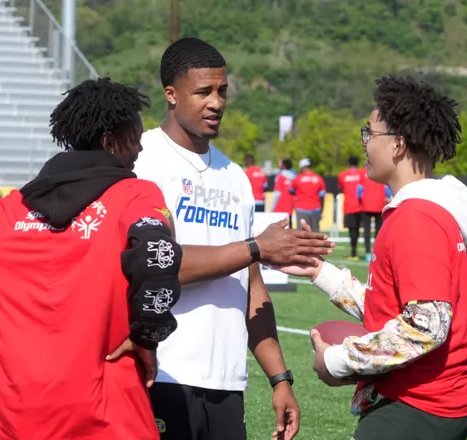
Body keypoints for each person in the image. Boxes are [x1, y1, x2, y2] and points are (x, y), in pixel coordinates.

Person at [0, 78, 188, 439]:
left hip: (20, 420)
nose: (139, 150)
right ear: (109, 143)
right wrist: (148, 336)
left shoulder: (8, 211)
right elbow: (159, 254)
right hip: (114, 417)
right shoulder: (135, 195)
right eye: (135, 137)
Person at [134, 37, 333, 440]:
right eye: (203, 91)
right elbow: (156, 265)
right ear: (171, 94)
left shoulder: (236, 177)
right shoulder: (143, 161)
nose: (216, 102)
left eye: (222, 91)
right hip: (162, 373)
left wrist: (280, 378)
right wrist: (257, 246)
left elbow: (251, 286)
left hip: (227, 383)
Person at [290, 75, 467, 439]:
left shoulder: (416, 218)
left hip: (420, 402)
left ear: (398, 144)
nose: (364, 142)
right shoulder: (420, 211)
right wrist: (319, 271)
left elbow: (425, 327)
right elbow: (393, 307)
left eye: (370, 132)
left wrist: (336, 360)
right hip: (432, 399)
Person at [357, 165, 392, 262]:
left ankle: (368, 253)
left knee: (367, 231)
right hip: (379, 204)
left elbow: (359, 191)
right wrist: (388, 199)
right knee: (379, 232)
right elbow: (387, 190)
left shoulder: (361, 173)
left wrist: (360, 201)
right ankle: (376, 253)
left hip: (366, 205)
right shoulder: (381, 170)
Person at [290, 158, 326, 232]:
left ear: (302, 167)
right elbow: (322, 196)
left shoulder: (298, 178)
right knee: (315, 233)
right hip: (315, 209)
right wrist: (321, 210)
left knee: (301, 233)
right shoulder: (318, 178)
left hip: (301, 208)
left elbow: (291, 190)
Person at [337, 156, 363, 260]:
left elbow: (341, 187)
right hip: (360, 205)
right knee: (357, 229)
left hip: (348, 205)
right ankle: (357, 251)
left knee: (351, 230)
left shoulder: (342, 175)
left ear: (348, 163)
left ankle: (353, 252)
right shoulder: (362, 174)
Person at [272, 158, 297, 224]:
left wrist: (272, 207)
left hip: (280, 207)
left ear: (283, 165)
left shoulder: (280, 176)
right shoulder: (295, 176)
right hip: (290, 206)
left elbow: (277, 193)